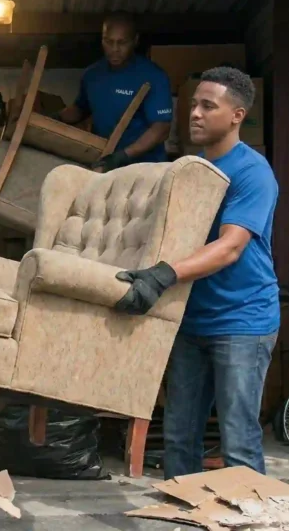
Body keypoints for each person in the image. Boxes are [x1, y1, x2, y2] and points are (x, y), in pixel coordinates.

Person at [111, 66, 280, 478]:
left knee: (237, 437)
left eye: (209, 106)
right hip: (190, 320)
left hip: (242, 320)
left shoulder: (251, 172)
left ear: (236, 115)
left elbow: (230, 247)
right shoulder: (188, 170)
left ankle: (247, 521)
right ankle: (182, 515)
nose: (195, 114)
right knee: (179, 437)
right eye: (193, 105)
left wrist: (162, 275)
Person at [53, 12, 173, 171]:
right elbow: (80, 109)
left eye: (122, 42)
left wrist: (124, 155)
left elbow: (161, 129)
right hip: (106, 164)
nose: (114, 49)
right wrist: (55, 117)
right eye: (108, 41)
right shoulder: (92, 75)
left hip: (146, 169)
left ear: (135, 41)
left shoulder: (153, 76)